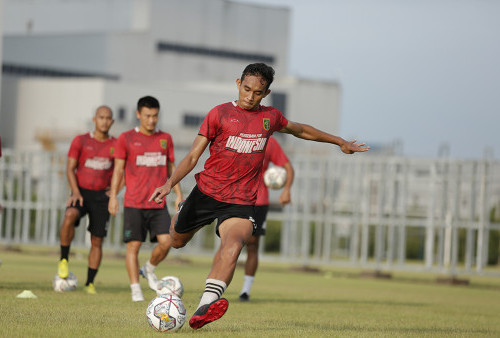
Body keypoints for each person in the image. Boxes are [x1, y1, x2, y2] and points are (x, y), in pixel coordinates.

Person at [149, 63, 369, 329]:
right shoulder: (219, 114)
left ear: (266, 93)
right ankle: (183, 210)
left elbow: (300, 130)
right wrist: (169, 183)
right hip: (206, 192)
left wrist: (339, 141)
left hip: (241, 200)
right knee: (176, 241)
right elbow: (193, 156)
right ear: (238, 83)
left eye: (257, 92)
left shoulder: (270, 117)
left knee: (233, 247)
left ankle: (203, 309)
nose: (250, 96)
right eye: (247, 89)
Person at [108, 95, 183, 302]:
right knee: (133, 246)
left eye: (155, 116)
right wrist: (113, 196)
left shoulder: (165, 138)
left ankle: (149, 268)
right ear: (138, 114)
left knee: (168, 242)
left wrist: (178, 195)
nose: (152, 120)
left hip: (158, 203)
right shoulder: (126, 138)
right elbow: (118, 170)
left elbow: (171, 168)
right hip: (134, 203)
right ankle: (135, 290)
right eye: (148, 115)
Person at [57, 106, 116, 295]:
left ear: (112, 122)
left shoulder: (116, 144)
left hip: (102, 197)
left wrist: (114, 192)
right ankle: (64, 259)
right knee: (69, 215)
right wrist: (75, 192)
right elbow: (69, 168)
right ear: (94, 119)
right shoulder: (81, 140)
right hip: (80, 192)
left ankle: (90, 283)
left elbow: (121, 171)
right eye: (101, 117)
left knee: (97, 240)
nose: (104, 121)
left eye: (108, 118)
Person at [237, 136, 294, 302]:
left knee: (252, 245)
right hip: (233, 198)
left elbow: (288, 168)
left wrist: (286, 190)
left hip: (258, 201)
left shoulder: (269, 142)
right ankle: (214, 289)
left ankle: (245, 291)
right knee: (228, 243)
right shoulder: (236, 137)